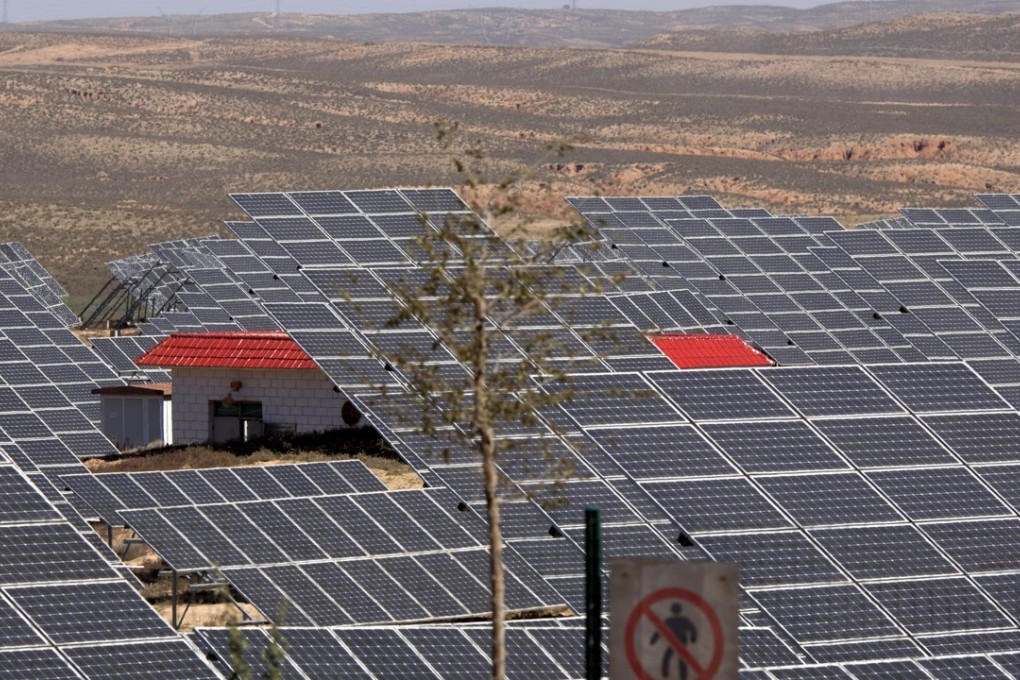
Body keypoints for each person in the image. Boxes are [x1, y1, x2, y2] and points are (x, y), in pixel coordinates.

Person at [649, 602, 698, 679]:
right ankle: (681, 677)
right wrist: (693, 638)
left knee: (667, 658)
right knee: (680, 660)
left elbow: (659, 631)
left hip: (674, 641)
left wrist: (653, 640)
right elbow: (693, 629)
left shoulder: (670, 620)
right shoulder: (684, 620)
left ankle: (666, 674)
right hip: (680, 641)